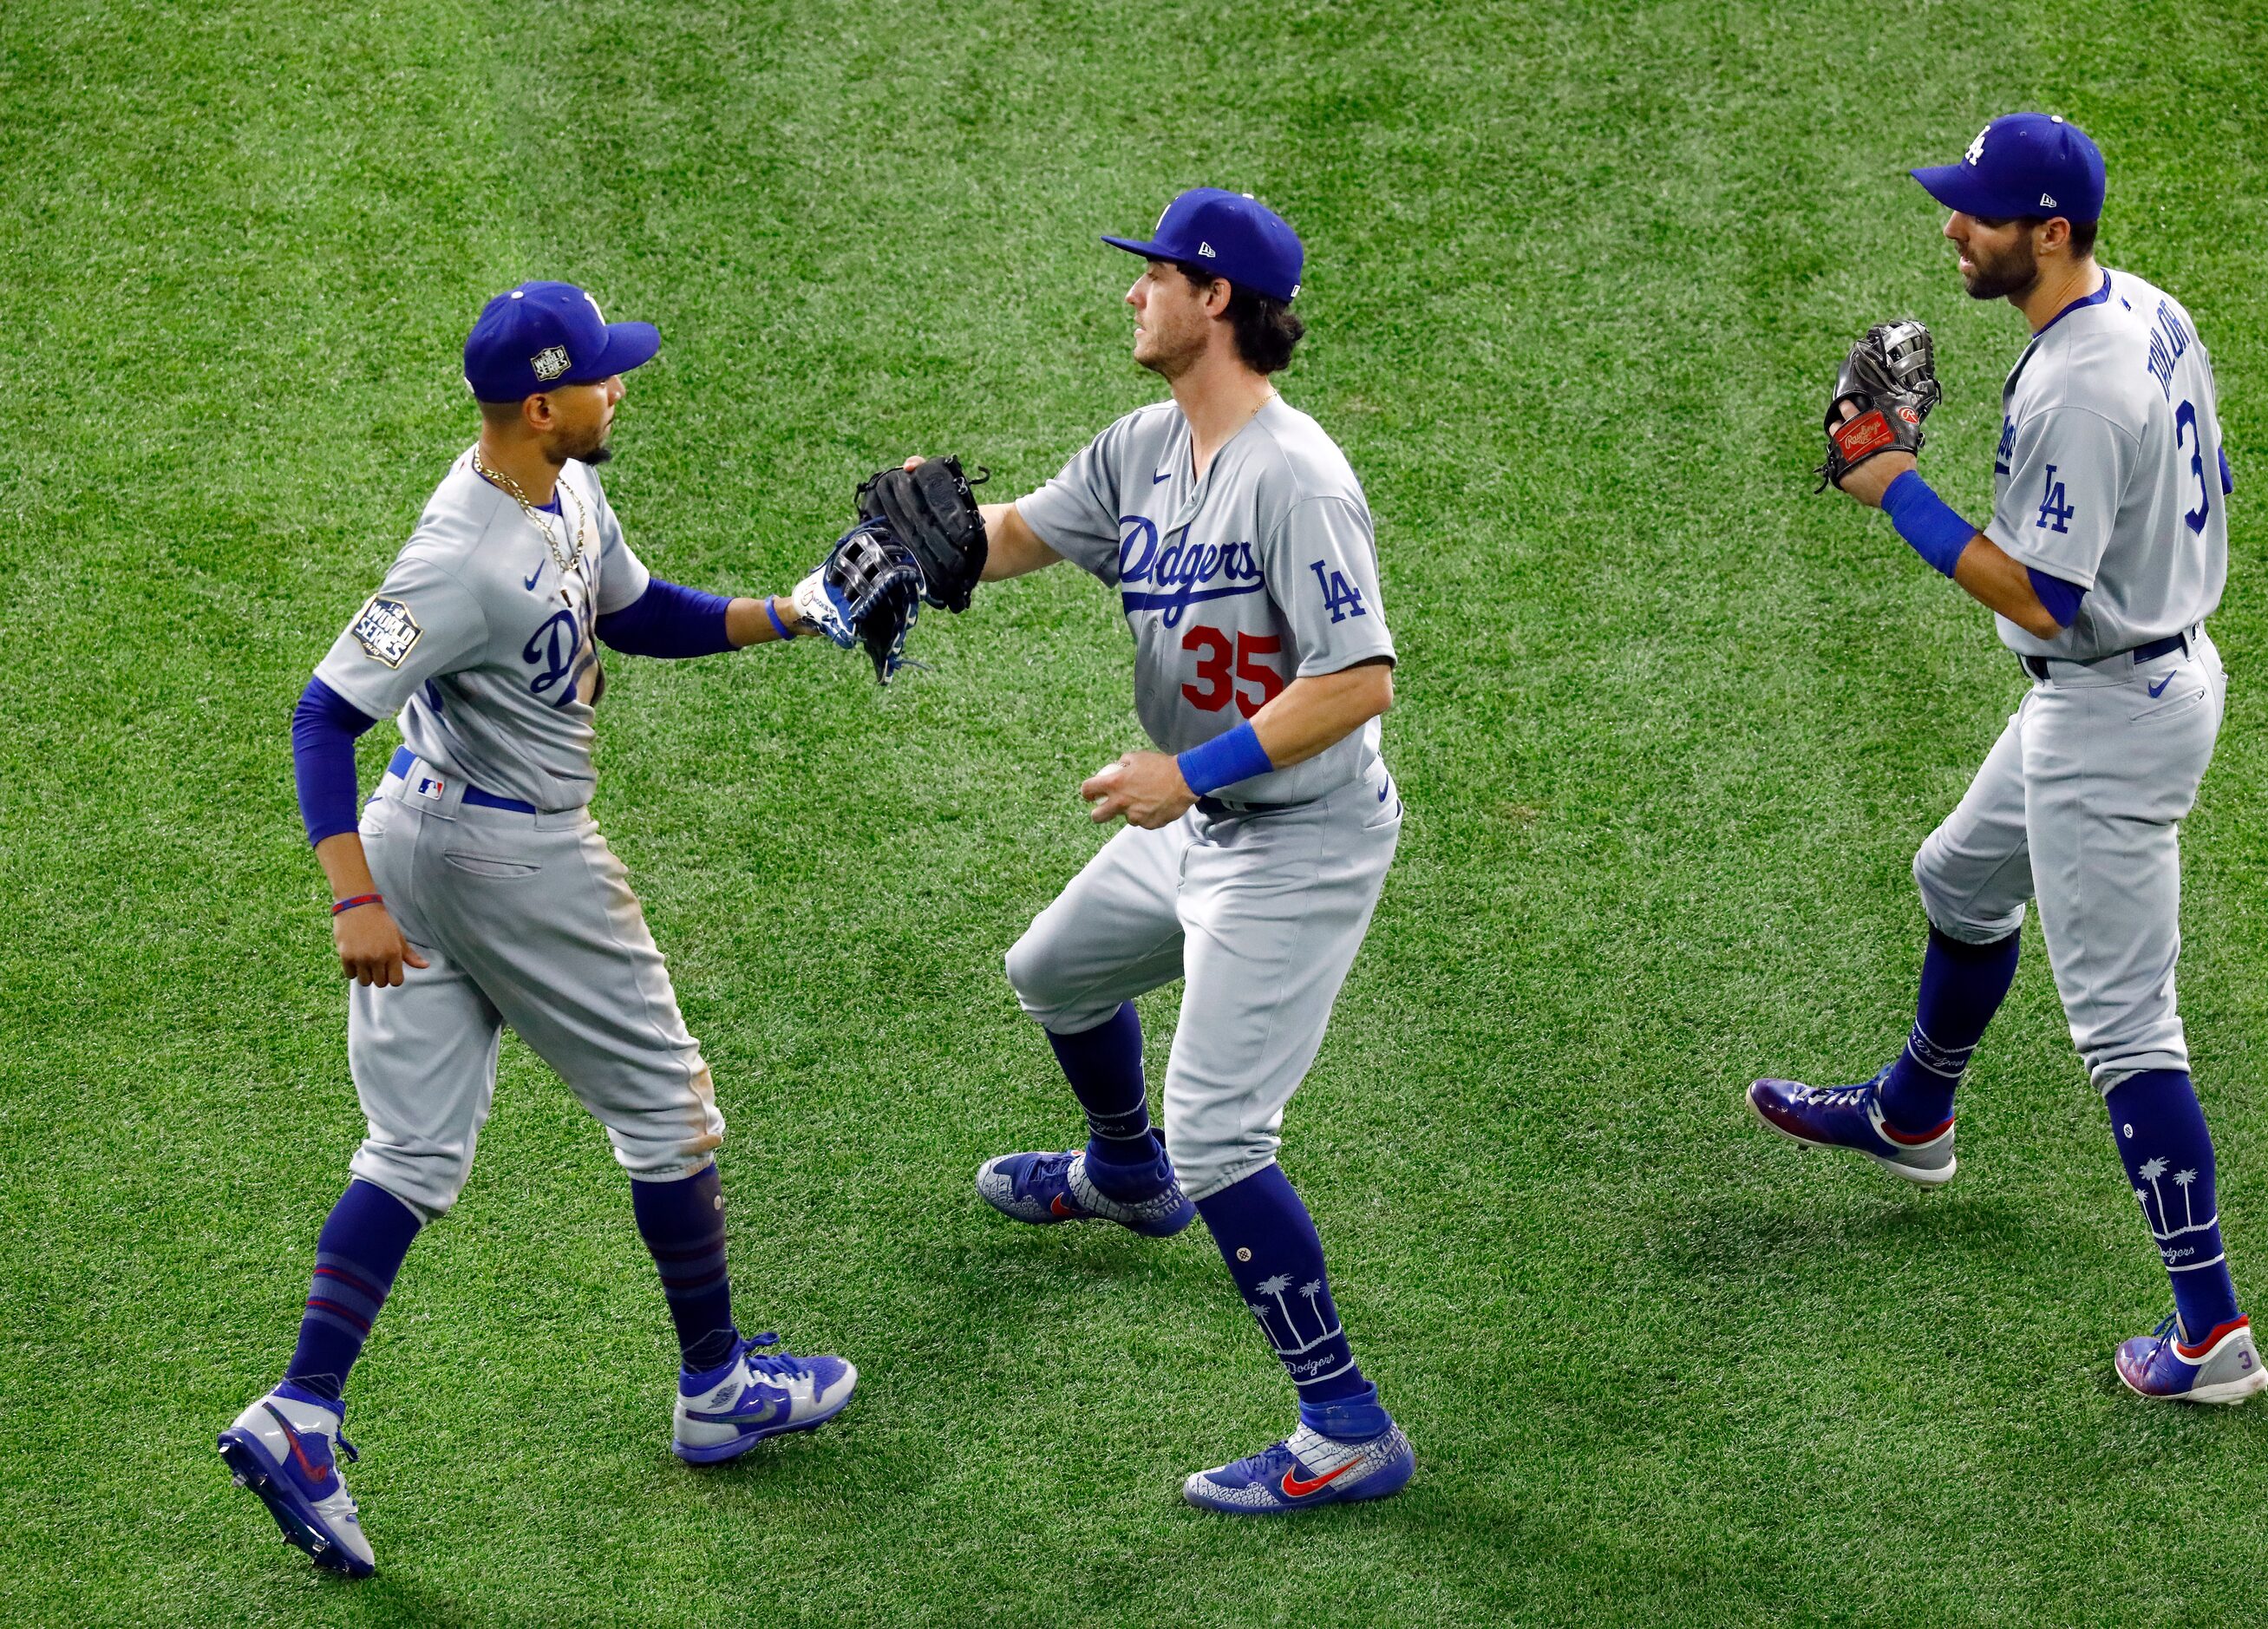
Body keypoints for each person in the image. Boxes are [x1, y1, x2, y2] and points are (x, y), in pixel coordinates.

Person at [219, 281, 859, 1580]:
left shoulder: (564, 490)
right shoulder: (455, 555)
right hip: (504, 856)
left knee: (409, 1147)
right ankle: (716, 1387)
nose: (621, 386)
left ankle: (302, 1411)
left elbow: (633, 611)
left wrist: (786, 612)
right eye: (603, 375)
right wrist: (348, 893)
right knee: (670, 1113)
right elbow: (320, 714)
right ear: (538, 403)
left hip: (437, 844)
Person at [1750, 116, 2268, 1404]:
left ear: (2048, 232)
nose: (1950, 226)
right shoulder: (2145, 308)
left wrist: (1888, 483)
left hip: (2110, 707)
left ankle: (2210, 1333)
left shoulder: (2081, 384)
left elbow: (2037, 595)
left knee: (2127, 1029)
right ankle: (1910, 1117)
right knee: (1959, 878)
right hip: (2124, 672)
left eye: (1975, 213)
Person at [962, 189, 1418, 1509]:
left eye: (1152, 275)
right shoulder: (1142, 447)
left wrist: (1186, 772)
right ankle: (1121, 1174)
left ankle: (1346, 1425)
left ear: (1214, 298)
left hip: (1299, 841)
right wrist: (895, 559)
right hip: (1203, 820)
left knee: (1224, 1132)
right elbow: (1015, 535)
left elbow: (1358, 680)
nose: (1131, 295)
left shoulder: (1298, 478)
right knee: (1051, 969)